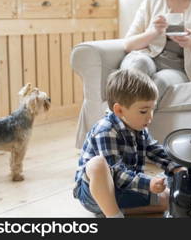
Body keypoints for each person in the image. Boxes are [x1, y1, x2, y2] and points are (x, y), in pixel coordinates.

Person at [73, 69, 184, 218]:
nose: (150, 117)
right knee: (97, 164)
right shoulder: (105, 130)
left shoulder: (138, 126)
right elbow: (117, 172)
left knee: (170, 200)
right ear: (119, 110)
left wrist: (177, 168)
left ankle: (111, 211)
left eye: (152, 109)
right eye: (144, 111)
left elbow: (156, 151)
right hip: (93, 194)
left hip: (123, 188)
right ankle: (113, 215)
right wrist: (148, 183)